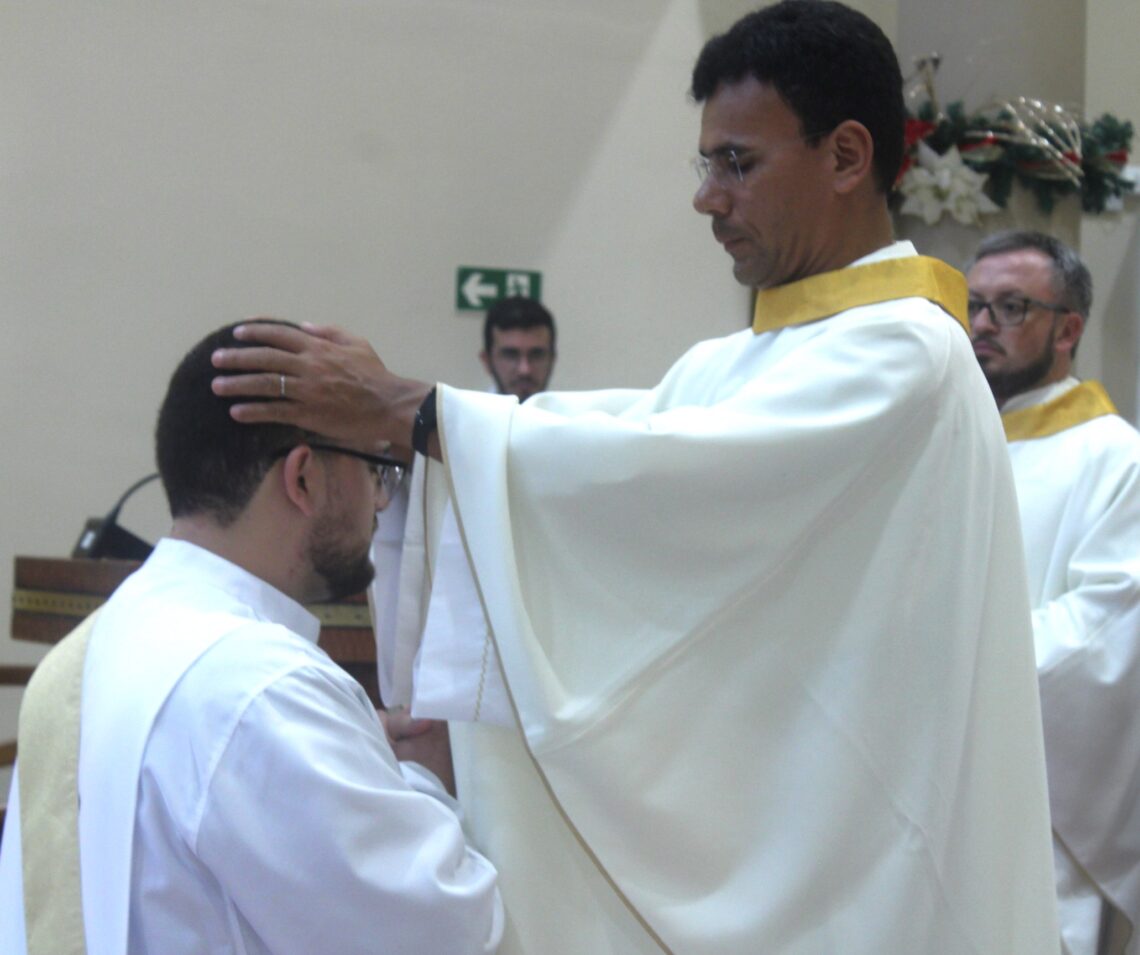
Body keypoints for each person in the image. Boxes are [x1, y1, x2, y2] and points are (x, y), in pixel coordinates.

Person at [210, 2, 1060, 952]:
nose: (708, 197)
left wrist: (410, 409)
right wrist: (417, 419)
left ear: (848, 156)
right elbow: (625, 461)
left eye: (737, 162)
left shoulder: (909, 359)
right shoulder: (749, 357)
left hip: (855, 862)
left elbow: (652, 481)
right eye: (708, 164)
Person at [0, 322, 502, 955]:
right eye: (376, 471)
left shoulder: (99, 644)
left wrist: (354, 756)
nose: (380, 503)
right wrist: (424, 779)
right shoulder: (263, 687)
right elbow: (447, 934)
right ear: (303, 480)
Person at [967, 230, 1140, 955]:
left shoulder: (1116, 459)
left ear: (1068, 329)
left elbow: (1111, 630)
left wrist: (954, 667)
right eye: (972, 306)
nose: (981, 327)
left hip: (1039, 813)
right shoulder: (952, 439)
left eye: (1010, 307)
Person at [480, 296, 557, 401]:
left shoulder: (568, 417)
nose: (524, 370)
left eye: (536, 355)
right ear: (487, 361)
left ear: (552, 359)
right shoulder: (466, 417)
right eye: (511, 355)